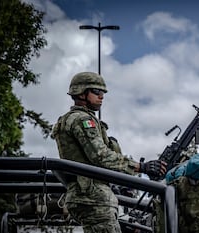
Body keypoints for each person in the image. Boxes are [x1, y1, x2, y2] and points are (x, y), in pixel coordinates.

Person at [51, 71, 167, 233]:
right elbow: (100, 155)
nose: (102, 96)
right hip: (93, 197)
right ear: (82, 93)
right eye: (97, 92)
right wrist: (141, 167)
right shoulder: (83, 120)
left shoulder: (70, 119)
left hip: (86, 195)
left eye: (103, 93)